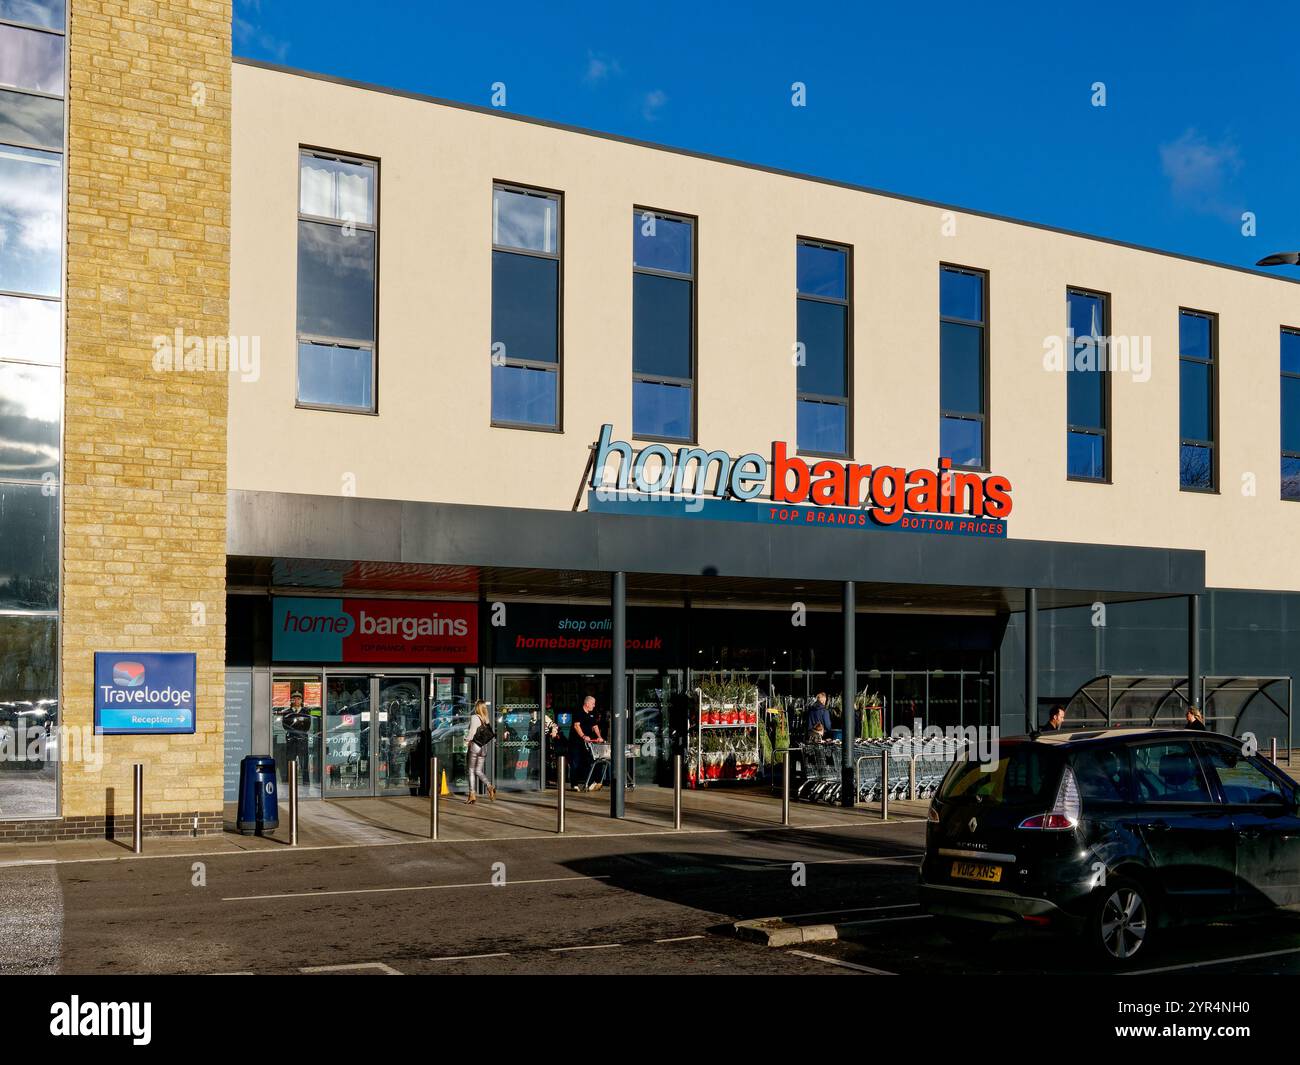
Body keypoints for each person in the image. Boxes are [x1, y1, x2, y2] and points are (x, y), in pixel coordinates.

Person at [568, 694, 605, 790]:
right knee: (575, 763)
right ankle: (574, 785)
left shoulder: (591, 714)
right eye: (593, 703)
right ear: (587, 703)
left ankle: (590, 783)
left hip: (586, 744)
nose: (594, 705)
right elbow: (576, 726)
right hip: (576, 742)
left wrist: (599, 737)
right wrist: (583, 736)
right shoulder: (578, 712)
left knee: (589, 761)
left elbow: (595, 726)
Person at [465, 699, 496, 804]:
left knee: (471, 770)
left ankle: (472, 794)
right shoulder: (486, 719)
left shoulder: (475, 717)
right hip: (484, 748)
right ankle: (489, 786)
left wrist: (466, 741)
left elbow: (472, 732)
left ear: (477, 707)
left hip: (475, 746)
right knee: (478, 770)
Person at [282, 691, 313, 787]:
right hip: (291, 739)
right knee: (290, 760)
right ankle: (289, 781)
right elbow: (285, 725)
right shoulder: (287, 712)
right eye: (294, 698)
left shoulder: (305, 711)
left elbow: (307, 725)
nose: (296, 700)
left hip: (302, 739)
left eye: (298, 699)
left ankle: (306, 781)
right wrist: (298, 724)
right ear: (292, 700)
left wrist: (295, 726)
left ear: (301, 700)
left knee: (304, 761)